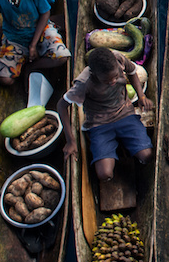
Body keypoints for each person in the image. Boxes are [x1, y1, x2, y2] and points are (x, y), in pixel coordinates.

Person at [60, 48, 152, 182]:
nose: (113, 82)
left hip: (124, 113)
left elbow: (132, 72)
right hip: (99, 123)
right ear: (95, 75)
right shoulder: (84, 83)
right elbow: (61, 106)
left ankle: (131, 151)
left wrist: (141, 96)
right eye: (107, 81)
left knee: (147, 156)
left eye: (116, 76)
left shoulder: (118, 59)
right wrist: (70, 141)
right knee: (104, 174)